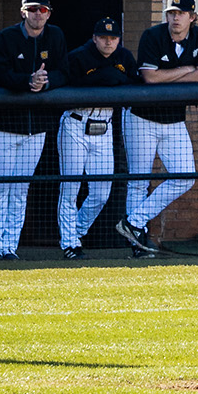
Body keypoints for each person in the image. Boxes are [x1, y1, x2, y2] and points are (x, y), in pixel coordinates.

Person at [116, 0, 198, 257]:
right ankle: (138, 244)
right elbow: (150, 78)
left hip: (174, 119)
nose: (175, 18)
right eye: (171, 13)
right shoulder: (152, 36)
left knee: (185, 176)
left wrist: (174, 74)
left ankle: (132, 222)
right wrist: (186, 70)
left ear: (192, 17)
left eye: (180, 13)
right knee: (138, 181)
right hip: (141, 118)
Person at [0, 0, 67, 261]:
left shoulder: (55, 36)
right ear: (23, 12)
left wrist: (46, 82)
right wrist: (27, 81)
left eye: (42, 10)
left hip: (38, 128)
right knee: (0, 187)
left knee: (21, 189)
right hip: (5, 126)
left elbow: (64, 72)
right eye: (33, 9)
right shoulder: (6, 37)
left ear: (49, 13)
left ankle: (10, 247)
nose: (38, 14)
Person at [58, 17, 136, 260]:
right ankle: (70, 243)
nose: (108, 42)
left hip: (105, 124)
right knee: (70, 188)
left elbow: (132, 82)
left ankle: (76, 232)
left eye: (113, 38)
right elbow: (75, 83)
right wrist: (109, 77)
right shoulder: (79, 56)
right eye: (103, 37)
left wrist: (106, 77)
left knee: (102, 192)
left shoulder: (124, 57)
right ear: (94, 38)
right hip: (76, 122)